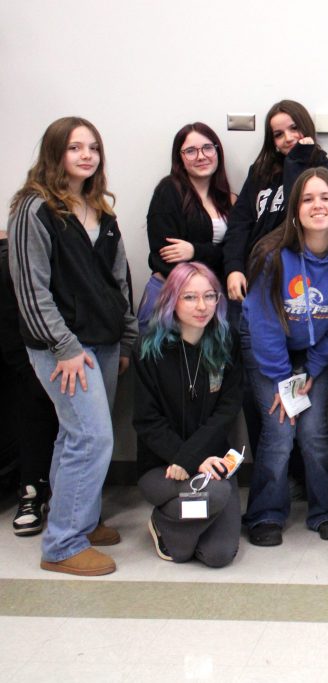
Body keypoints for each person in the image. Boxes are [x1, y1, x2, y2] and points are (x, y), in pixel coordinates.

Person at [8, 117, 137, 576]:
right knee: (92, 436)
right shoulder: (33, 209)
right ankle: (62, 544)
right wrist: (64, 347)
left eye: (93, 148)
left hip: (102, 342)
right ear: (55, 153)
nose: (86, 155)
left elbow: (119, 281)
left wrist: (125, 339)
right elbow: (31, 289)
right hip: (62, 347)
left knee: (73, 436)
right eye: (75, 147)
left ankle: (79, 521)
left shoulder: (101, 211)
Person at [241, 167, 328, 546]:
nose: (317, 205)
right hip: (270, 353)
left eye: (326, 198)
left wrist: (312, 371)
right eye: (307, 199)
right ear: (295, 210)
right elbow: (263, 324)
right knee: (279, 431)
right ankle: (265, 513)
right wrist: (286, 382)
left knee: (315, 430)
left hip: (317, 353)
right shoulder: (272, 257)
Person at [133, 262, 242, 567]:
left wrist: (195, 459)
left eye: (210, 296)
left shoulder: (226, 341)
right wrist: (185, 459)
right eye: (190, 297)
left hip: (214, 464)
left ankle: (178, 526)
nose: (202, 306)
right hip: (162, 469)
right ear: (172, 300)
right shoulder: (147, 348)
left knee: (219, 555)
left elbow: (226, 411)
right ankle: (164, 523)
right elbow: (146, 421)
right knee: (214, 497)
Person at [223, 100, 328, 305]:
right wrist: (234, 267)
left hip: (300, 279)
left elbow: (295, 211)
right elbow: (239, 223)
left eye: (294, 128)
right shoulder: (259, 173)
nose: (288, 138)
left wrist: (296, 160)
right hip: (254, 272)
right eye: (278, 134)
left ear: (306, 128)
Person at [138, 122, 235, 331]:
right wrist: (216, 258)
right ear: (180, 158)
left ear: (218, 151)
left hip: (209, 300)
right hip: (169, 298)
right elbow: (164, 257)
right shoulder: (169, 191)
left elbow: (233, 254)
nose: (201, 156)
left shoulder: (228, 200)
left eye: (208, 148)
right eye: (190, 151)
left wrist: (194, 250)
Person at [0, 230, 57, 536]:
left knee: (81, 431)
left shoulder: (93, 225)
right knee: (32, 410)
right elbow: (9, 318)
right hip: (33, 353)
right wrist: (23, 364)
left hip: (85, 348)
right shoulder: (14, 252)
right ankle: (31, 493)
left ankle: (69, 502)